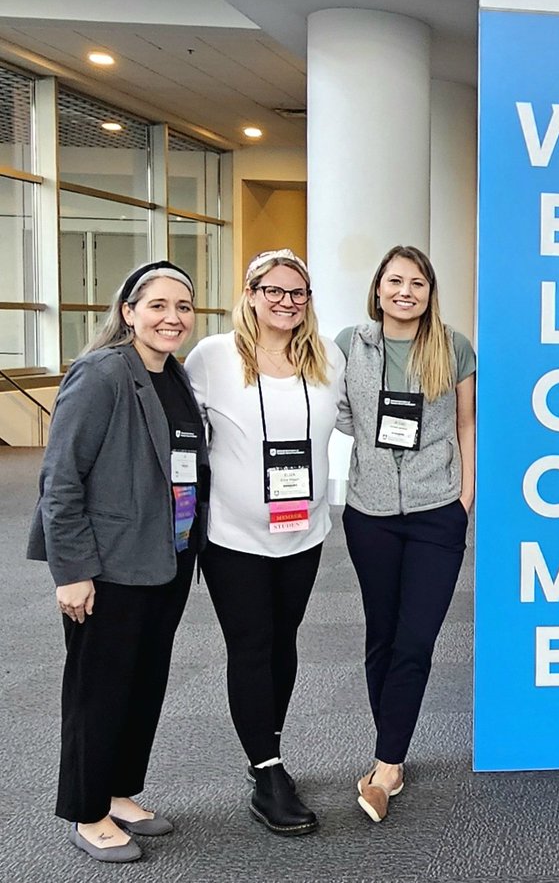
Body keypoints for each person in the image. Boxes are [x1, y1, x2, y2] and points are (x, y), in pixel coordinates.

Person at [28, 261, 208, 863]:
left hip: (167, 556)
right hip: (107, 565)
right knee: (98, 690)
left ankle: (118, 790)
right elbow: (60, 480)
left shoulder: (173, 376)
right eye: (157, 305)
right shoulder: (102, 373)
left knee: (143, 683)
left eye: (182, 306)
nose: (172, 317)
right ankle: (86, 811)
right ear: (128, 312)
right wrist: (72, 572)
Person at [185, 249, 345, 835]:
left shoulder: (327, 357)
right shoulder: (213, 357)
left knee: (284, 642)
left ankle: (267, 744)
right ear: (250, 293)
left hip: (304, 532)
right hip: (232, 535)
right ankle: (267, 771)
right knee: (251, 645)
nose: (286, 301)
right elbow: (175, 428)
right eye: (273, 290)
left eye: (297, 293)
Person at [336, 245, 476, 823]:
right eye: (395, 281)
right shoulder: (348, 345)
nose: (405, 291)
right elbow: (334, 411)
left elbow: (467, 423)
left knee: (416, 639)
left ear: (429, 291)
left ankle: (388, 762)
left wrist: (466, 498)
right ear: (378, 289)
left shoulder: (454, 346)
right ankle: (391, 743)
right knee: (382, 635)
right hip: (369, 512)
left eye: (417, 282)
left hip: (436, 509)